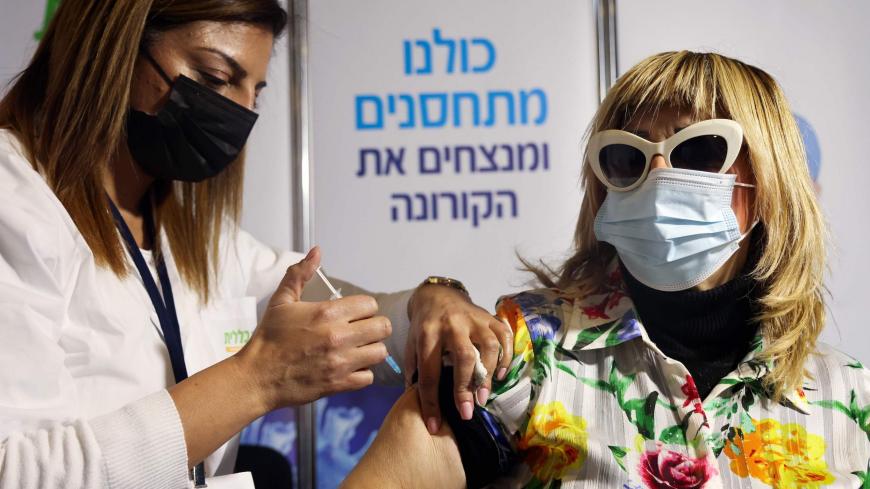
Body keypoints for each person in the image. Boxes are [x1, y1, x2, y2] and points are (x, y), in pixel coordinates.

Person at [0, 1, 513, 487]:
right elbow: (17, 471)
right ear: (115, 48)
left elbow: (331, 315)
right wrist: (256, 380)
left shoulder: (188, 236)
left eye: (255, 93)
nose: (240, 115)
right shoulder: (14, 197)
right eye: (216, 78)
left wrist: (431, 303)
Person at [343, 51, 870, 488]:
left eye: (699, 149)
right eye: (628, 156)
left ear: (770, 174)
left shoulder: (849, 397)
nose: (660, 173)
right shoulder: (525, 354)